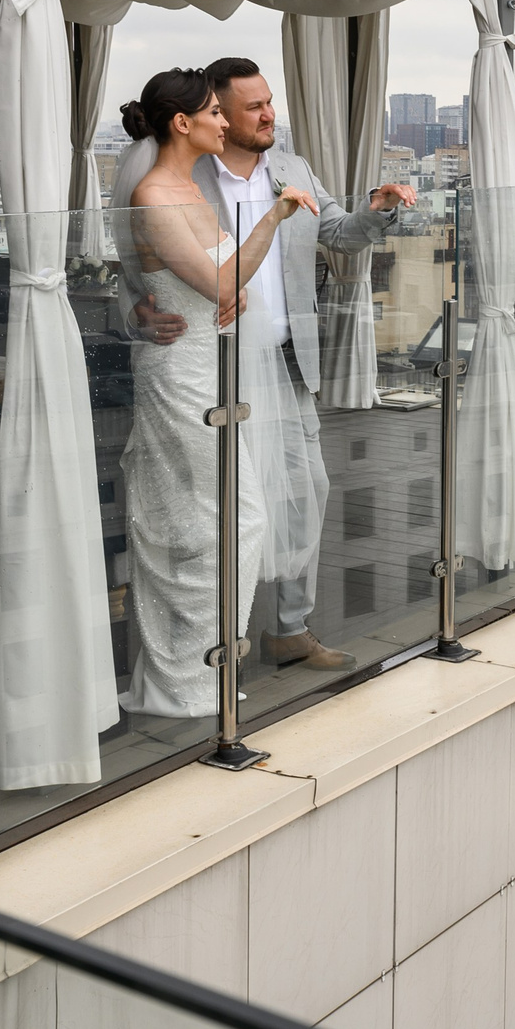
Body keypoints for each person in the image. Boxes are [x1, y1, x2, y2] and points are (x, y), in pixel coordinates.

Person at [110, 57, 416, 671]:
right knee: (222, 504)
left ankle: (290, 630)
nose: (267, 114)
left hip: (286, 361)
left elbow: (339, 232)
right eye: (250, 107)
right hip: (212, 364)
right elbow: (131, 261)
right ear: (212, 111)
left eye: (268, 102)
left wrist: (379, 209)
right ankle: (223, 638)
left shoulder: (292, 168)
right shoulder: (180, 172)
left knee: (305, 492)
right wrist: (135, 311)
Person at [116, 68, 313, 717]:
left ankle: (197, 675)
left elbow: (228, 282)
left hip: (210, 367)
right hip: (180, 376)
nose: (224, 122)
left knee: (213, 521)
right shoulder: (155, 194)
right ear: (183, 123)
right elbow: (224, 286)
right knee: (223, 520)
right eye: (213, 113)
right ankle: (187, 681)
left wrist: (271, 221)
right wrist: (275, 220)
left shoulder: (184, 189)